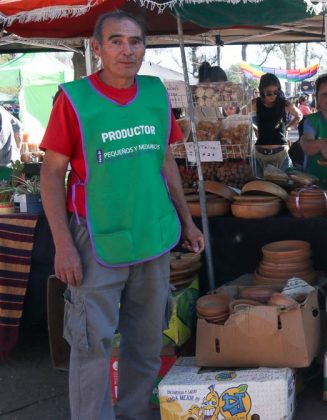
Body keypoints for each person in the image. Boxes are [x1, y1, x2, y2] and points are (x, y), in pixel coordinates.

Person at [39, 11, 204, 419]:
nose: (127, 50)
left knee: (146, 343)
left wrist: (186, 221)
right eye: (116, 41)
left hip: (153, 235)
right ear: (97, 48)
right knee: (92, 345)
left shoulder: (155, 93)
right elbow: (51, 175)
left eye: (135, 42)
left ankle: (133, 413)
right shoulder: (73, 99)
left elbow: (165, 160)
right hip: (97, 240)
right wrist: (62, 245)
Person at [250, 73, 302, 176]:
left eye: (276, 92)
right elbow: (240, 116)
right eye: (269, 93)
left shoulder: (285, 103)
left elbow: (299, 115)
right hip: (259, 153)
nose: (273, 95)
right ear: (262, 91)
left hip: (281, 154)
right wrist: (253, 128)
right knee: (258, 188)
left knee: (283, 188)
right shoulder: (255, 103)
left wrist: (288, 127)